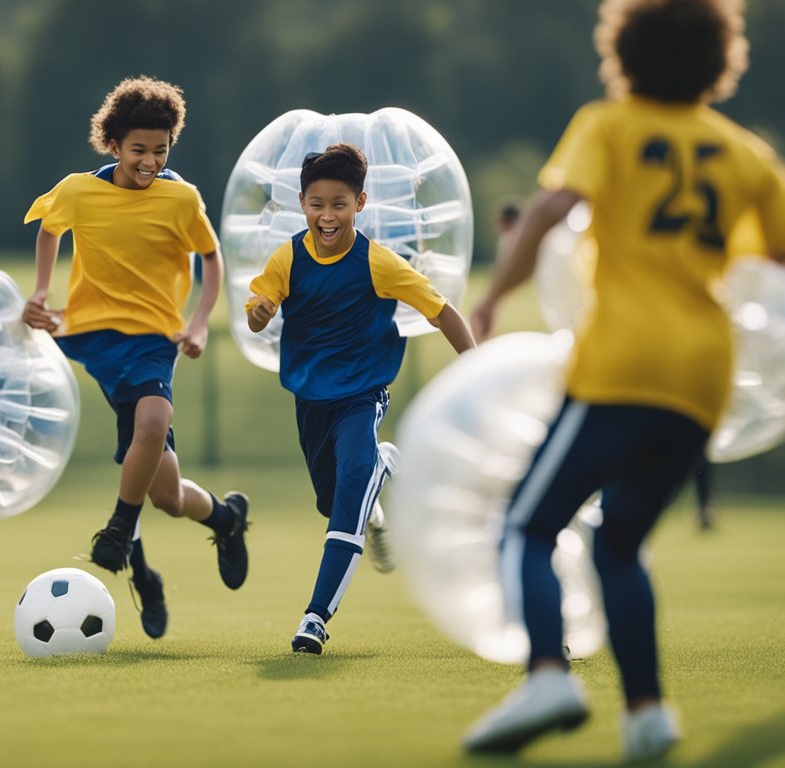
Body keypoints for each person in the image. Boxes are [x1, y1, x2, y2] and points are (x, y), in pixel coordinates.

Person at [464, 0, 785, 759]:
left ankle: (548, 675)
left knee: (527, 525)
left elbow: (550, 208)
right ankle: (646, 714)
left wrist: (493, 294)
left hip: (622, 360)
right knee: (620, 541)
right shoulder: (746, 156)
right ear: (720, 60)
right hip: (702, 375)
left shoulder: (608, 124)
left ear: (624, 54)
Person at [21, 76, 249, 640]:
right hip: (93, 335)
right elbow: (50, 229)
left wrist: (197, 324)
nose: (150, 160)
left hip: (154, 336)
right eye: (139, 149)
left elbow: (212, 262)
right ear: (114, 144)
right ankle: (224, 518)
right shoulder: (78, 191)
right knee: (165, 494)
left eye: (161, 149)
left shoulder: (182, 198)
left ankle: (122, 538)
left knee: (151, 425)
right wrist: (43, 292)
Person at [245, 143, 475, 655]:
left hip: (362, 397)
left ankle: (315, 618)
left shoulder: (379, 263)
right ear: (302, 204)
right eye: (317, 204)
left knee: (345, 500)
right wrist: (259, 314)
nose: (328, 215)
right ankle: (381, 469)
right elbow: (258, 306)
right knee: (332, 499)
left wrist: (476, 367)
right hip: (311, 400)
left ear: (361, 202)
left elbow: (442, 313)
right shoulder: (287, 257)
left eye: (340, 204)